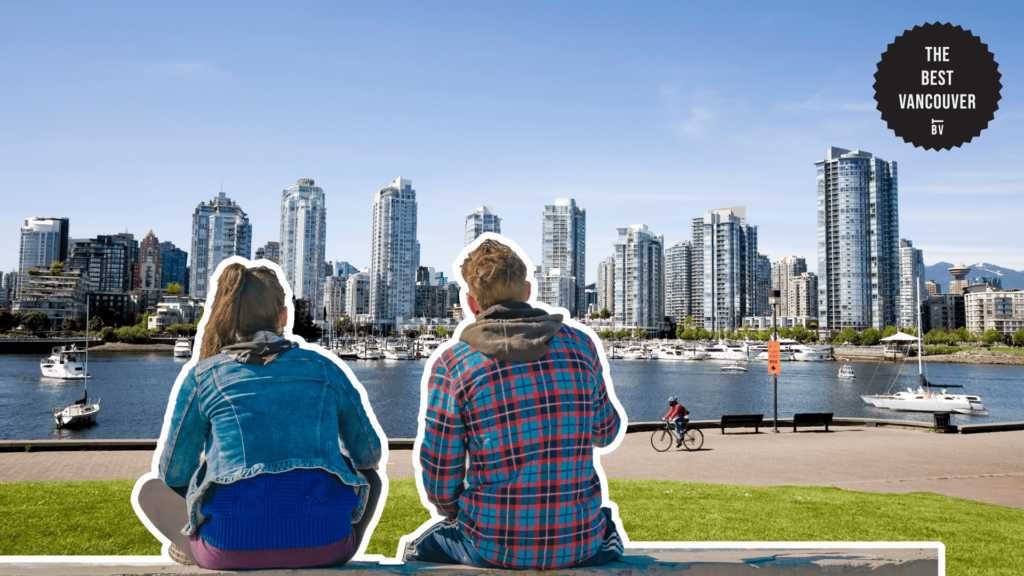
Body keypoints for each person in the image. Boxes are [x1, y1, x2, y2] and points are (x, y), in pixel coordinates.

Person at [135, 262, 383, 570]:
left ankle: (191, 544)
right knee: (370, 478)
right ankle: (323, 539)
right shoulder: (326, 369)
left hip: (227, 551)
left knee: (149, 491)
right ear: (284, 315)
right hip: (328, 548)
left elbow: (173, 473)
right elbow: (370, 456)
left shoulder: (203, 375)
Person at [405, 238, 624, 570]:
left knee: (414, 550)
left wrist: (454, 510)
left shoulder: (454, 365)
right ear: (526, 289)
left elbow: (440, 481)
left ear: (471, 303)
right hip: (580, 541)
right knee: (606, 523)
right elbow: (606, 433)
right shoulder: (581, 346)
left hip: (491, 545)